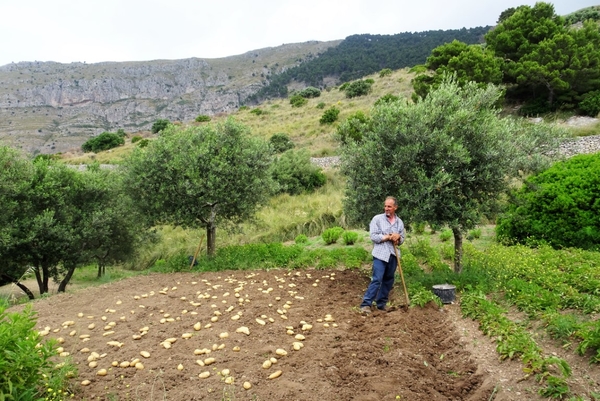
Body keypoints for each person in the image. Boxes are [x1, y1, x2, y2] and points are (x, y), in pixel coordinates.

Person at [360, 196, 406, 314]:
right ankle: (366, 304)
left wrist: (398, 237)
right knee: (377, 279)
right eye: (385, 206)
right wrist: (388, 236)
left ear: (395, 207)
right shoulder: (377, 219)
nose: (386, 208)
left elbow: (402, 239)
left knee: (388, 280)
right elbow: (374, 237)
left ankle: (381, 304)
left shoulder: (399, 222)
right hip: (380, 254)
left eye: (389, 206)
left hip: (393, 254)